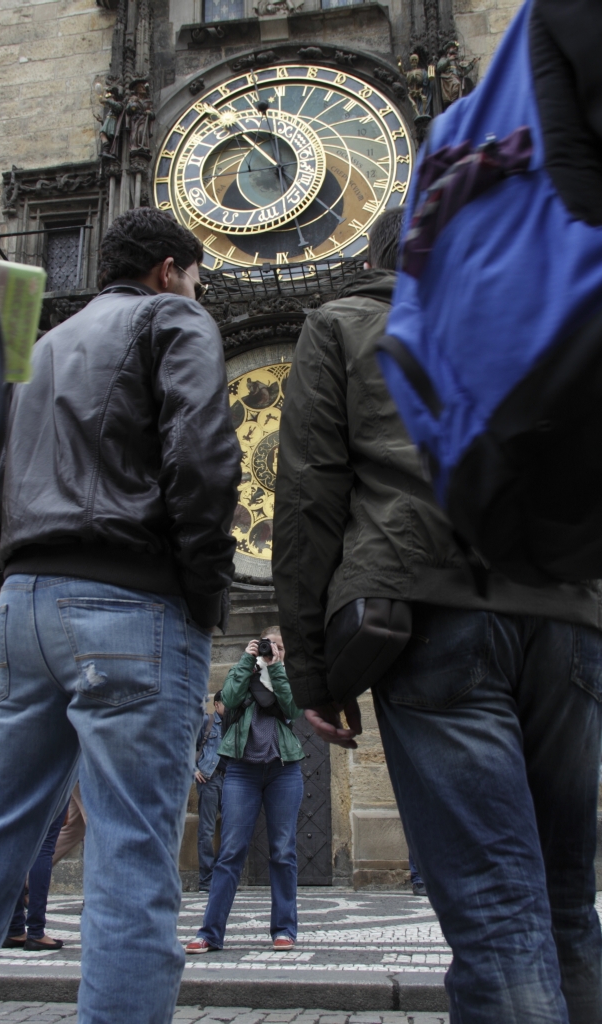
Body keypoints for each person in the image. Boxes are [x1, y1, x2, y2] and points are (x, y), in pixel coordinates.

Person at [272, 208, 602, 1024]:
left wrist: (312, 672)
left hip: (430, 615)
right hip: (566, 618)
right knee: (567, 902)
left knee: (496, 908)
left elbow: (309, 503)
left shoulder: (345, 322)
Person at [0, 208, 241, 1024]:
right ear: (171, 269)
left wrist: (19, 581)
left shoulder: (38, 347)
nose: (197, 288)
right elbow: (201, 454)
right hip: (134, 603)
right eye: (196, 274)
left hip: (27, 606)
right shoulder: (174, 317)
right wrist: (201, 592)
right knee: (132, 858)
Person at [185, 627, 304, 954]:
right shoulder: (245, 670)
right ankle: (209, 932)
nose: (272, 649)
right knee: (231, 851)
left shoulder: (290, 675)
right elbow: (227, 700)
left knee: (282, 850)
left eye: (279, 646)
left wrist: (276, 668)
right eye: (268, 644)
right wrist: (245, 661)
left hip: (284, 771)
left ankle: (284, 929)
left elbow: (293, 710)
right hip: (241, 771)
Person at [4, 802, 69, 951]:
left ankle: (15, 928)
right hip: (52, 781)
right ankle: (36, 931)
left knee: (16, 844)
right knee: (44, 845)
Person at [194, 690, 227, 892]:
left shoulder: (235, 724)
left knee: (232, 830)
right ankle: (206, 880)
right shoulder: (206, 722)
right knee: (206, 831)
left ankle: (223, 877)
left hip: (232, 780)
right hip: (210, 779)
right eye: (227, 703)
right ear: (216, 705)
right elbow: (186, 745)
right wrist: (194, 770)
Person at [52, 784, 87, 867]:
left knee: (74, 829)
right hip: (87, 777)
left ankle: (28, 872)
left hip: (76, 776)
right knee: (96, 827)